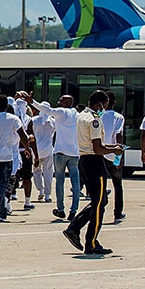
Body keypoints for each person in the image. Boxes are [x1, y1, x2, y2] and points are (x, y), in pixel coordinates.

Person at [61, 90, 124, 255]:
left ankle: (75, 229)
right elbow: (97, 148)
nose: (105, 109)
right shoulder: (94, 120)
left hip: (84, 159)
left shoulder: (81, 116)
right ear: (99, 104)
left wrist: (113, 147)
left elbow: (94, 145)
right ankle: (91, 241)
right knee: (99, 204)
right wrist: (114, 150)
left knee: (100, 201)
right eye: (105, 106)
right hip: (95, 162)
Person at [30, 94, 80, 220]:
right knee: (75, 183)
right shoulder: (77, 114)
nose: (59, 103)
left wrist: (32, 101)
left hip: (60, 152)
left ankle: (61, 209)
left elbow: (46, 110)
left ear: (65, 103)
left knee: (60, 182)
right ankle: (73, 210)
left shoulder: (61, 112)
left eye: (61, 101)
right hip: (74, 153)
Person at [0, 95, 29, 222]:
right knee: (3, 184)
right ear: (7, 106)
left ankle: (1, 210)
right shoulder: (13, 119)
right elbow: (22, 134)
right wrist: (27, 148)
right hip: (7, 155)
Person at [99, 91, 126, 221]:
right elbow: (119, 135)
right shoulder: (119, 117)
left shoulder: (98, 116)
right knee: (117, 185)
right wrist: (119, 157)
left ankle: (100, 210)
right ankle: (117, 214)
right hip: (113, 153)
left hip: (100, 153)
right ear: (114, 103)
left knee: (101, 185)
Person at [28, 103, 56, 204]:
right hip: (48, 150)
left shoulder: (33, 120)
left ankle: (41, 190)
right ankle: (48, 195)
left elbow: (30, 133)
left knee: (36, 171)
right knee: (48, 172)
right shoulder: (52, 121)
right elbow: (55, 134)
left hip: (36, 150)